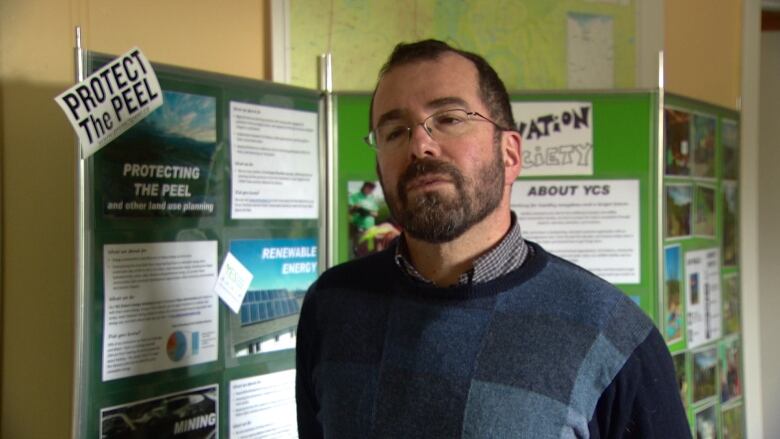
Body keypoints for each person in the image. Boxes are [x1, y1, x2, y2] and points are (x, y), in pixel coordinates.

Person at [296, 39, 690, 438]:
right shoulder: (331, 306)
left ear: (510, 154)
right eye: (395, 132)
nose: (420, 145)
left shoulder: (613, 334)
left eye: (449, 118)